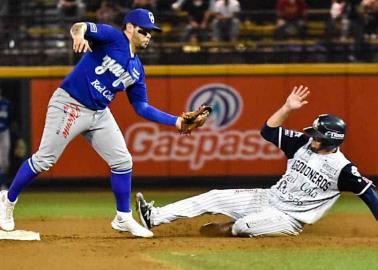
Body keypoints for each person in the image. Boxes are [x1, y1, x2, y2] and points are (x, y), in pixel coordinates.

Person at [0, 8, 197, 238]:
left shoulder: (137, 69)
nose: (148, 36)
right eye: (144, 31)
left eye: (151, 33)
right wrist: (78, 35)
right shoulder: (113, 37)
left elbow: (141, 107)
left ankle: (123, 217)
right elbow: (80, 26)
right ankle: (7, 200)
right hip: (70, 103)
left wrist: (176, 122)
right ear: (130, 28)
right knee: (45, 160)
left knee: (123, 161)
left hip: (99, 112)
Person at [136, 85, 378, 237]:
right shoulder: (301, 144)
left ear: (330, 140)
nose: (311, 137)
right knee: (213, 196)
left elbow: (369, 194)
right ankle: (155, 216)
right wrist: (286, 108)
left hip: (289, 218)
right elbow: (268, 131)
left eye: (317, 135)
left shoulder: (342, 169)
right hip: (268, 197)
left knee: (244, 227)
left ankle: (229, 228)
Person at [0, 88, 11, 189]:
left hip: (4, 132)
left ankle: (3, 185)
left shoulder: (6, 103)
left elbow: (12, 120)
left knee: (4, 162)